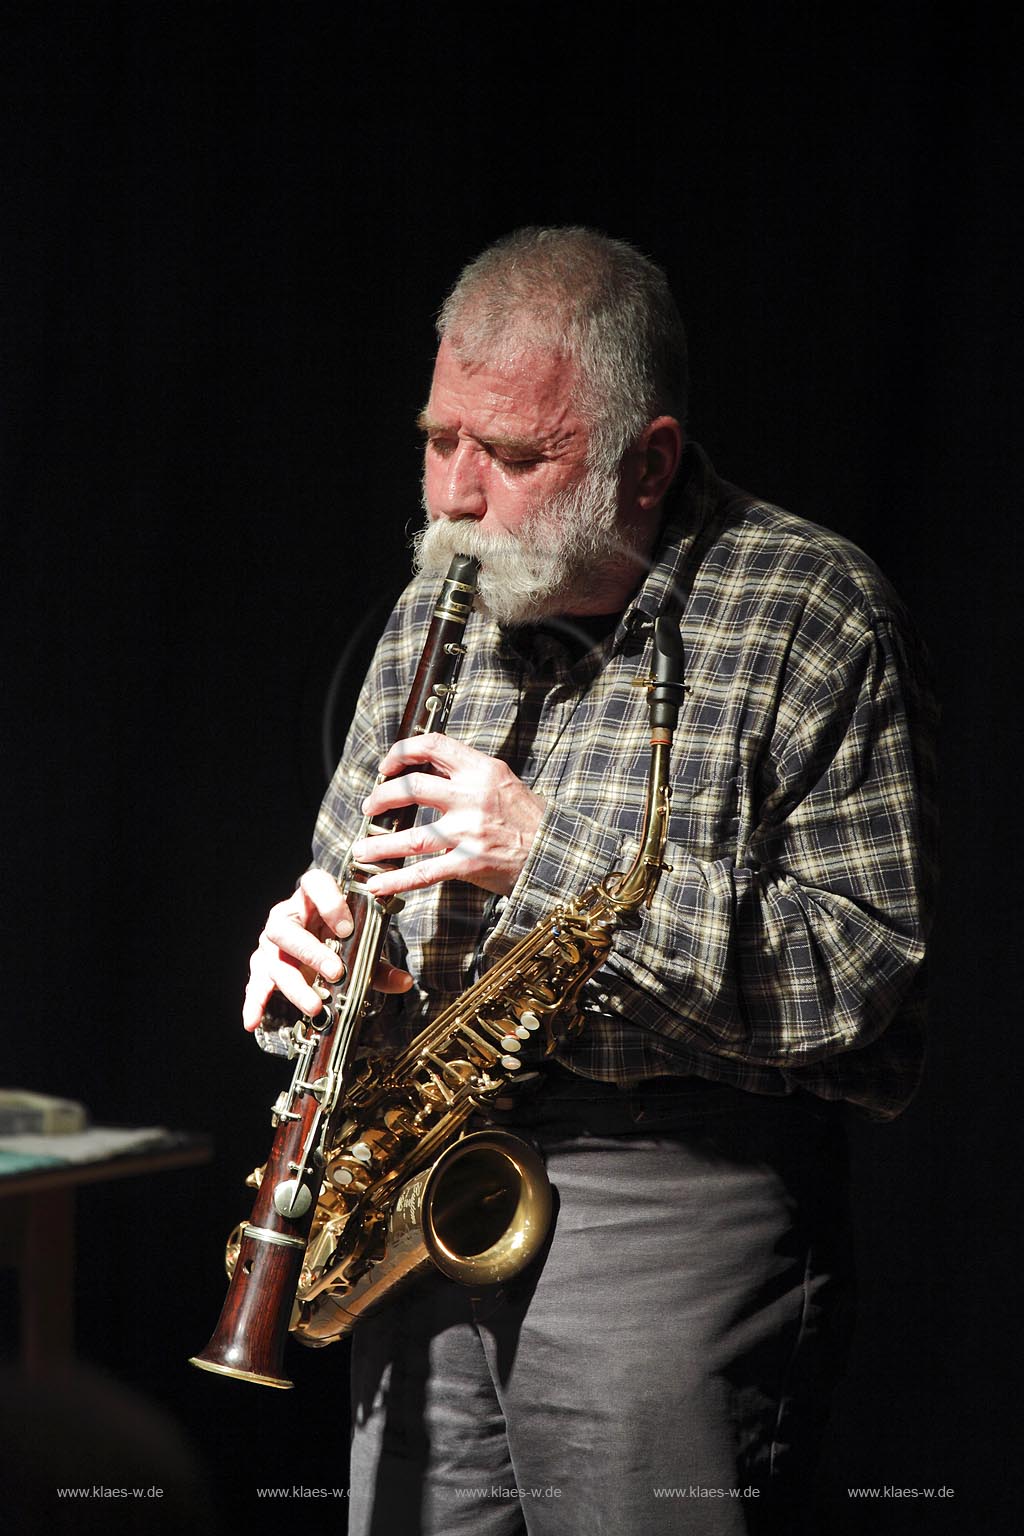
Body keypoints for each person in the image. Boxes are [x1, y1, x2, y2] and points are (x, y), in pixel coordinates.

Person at [242, 227, 937, 1535]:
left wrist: (545, 854)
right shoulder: (428, 608)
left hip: (672, 1179)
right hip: (419, 1187)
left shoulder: (810, 609)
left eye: (510, 458)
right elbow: (351, 889)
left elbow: (867, 980)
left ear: (649, 462)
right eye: (439, 437)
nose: (453, 495)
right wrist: (327, 965)